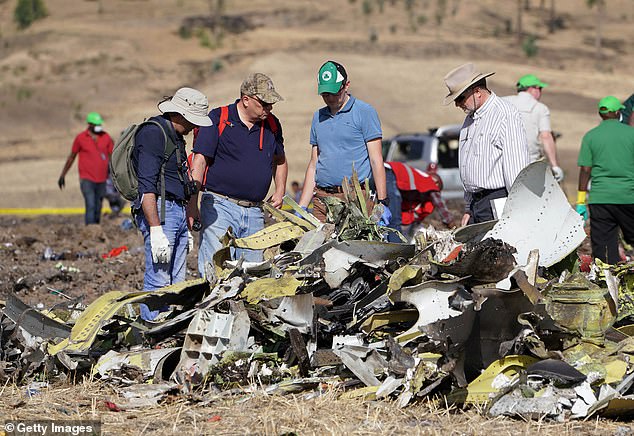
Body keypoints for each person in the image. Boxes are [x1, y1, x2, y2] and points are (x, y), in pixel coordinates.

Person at [189, 73, 288, 276]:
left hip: (254, 212)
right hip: (220, 207)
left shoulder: (272, 125)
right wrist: (192, 204)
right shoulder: (218, 119)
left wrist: (280, 191)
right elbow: (199, 161)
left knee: (252, 274)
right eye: (264, 103)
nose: (269, 108)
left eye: (271, 104)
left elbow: (280, 161)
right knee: (214, 270)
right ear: (246, 100)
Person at [132, 87, 212, 320]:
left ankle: (170, 327)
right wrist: (156, 230)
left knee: (177, 279)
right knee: (159, 277)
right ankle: (153, 329)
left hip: (174, 211)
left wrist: (184, 225)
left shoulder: (176, 137)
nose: (193, 127)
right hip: (159, 211)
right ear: (180, 114)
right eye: (192, 121)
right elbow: (146, 187)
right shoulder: (152, 134)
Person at [297, 60, 390, 225]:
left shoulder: (364, 112)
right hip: (322, 200)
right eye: (325, 94)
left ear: (346, 85)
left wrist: (382, 202)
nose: (330, 98)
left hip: (355, 200)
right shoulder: (318, 118)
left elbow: (376, 160)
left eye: (334, 93)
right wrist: (302, 207)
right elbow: (314, 164)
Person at [442, 63, 529, 225]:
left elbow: (516, 167)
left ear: (477, 92)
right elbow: (467, 164)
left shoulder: (506, 115)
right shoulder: (470, 119)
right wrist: (469, 208)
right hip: (477, 203)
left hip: (499, 201)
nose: (457, 104)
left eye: (460, 98)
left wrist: (518, 207)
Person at [576, 95, 634, 264]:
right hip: (628, 197)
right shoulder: (631, 134)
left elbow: (585, 170)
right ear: (617, 113)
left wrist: (580, 201)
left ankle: (607, 283)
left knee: (604, 248)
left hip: (600, 200)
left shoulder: (590, 136)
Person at [503, 74, 564, 181]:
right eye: (540, 88)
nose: (540, 91)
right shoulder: (540, 108)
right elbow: (545, 136)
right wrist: (555, 166)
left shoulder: (503, 102)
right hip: (529, 162)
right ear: (532, 89)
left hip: (503, 161)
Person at [58, 112, 114, 225]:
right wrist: (63, 175)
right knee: (90, 204)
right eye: (96, 124)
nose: (99, 126)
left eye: (100, 124)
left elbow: (113, 157)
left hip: (102, 179)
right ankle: (90, 229)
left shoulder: (106, 137)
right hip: (86, 178)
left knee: (98, 206)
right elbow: (71, 157)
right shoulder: (80, 138)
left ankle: (96, 229)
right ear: (90, 124)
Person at [384, 161, 454, 242]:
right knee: (394, 222)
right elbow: (439, 203)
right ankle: (396, 250)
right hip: (391, 173)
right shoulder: (430, 181)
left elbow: (411, 219)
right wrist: (450, 222)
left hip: (382, 169)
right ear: (436, 183)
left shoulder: (416, 182)